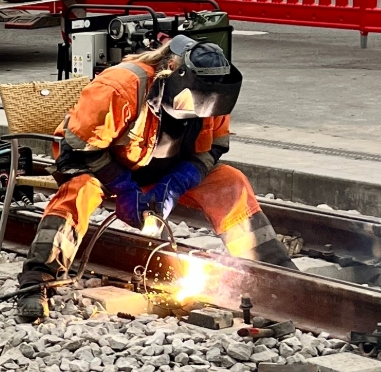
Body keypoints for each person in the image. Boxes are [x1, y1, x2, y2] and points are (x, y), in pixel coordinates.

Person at [16, 36, 295, 323]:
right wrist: (123, 187)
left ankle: (277, 274)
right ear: (171, 71)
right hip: (104, 169)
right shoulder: (120, 87)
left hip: (163, 173)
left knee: (230, 182)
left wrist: (176, 184)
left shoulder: (213, 94)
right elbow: (78, 150)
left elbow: (213, 148)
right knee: (79, 191)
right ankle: (37, 281)